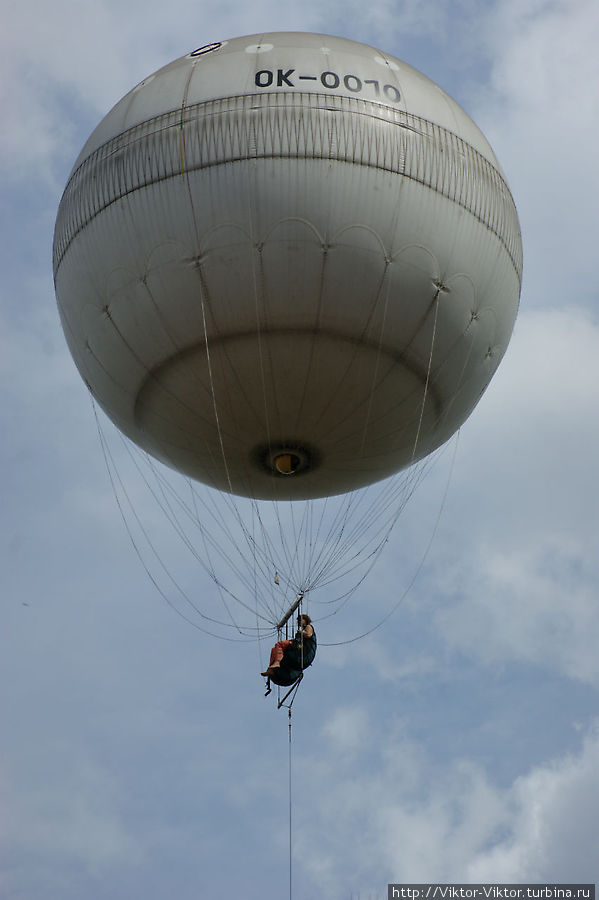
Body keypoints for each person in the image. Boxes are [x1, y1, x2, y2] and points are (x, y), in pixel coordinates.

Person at [261, 614, 316, 687]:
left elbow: (308, 635)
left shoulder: (308, 626)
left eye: (300, 620)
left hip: (303, 650)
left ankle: (277, 663)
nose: (299, 622)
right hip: (299, 648)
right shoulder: (301, 632)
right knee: (275, 650)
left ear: (305, 620)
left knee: (279, 644)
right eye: (298, 621)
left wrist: (300, 633)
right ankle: (271, 668)